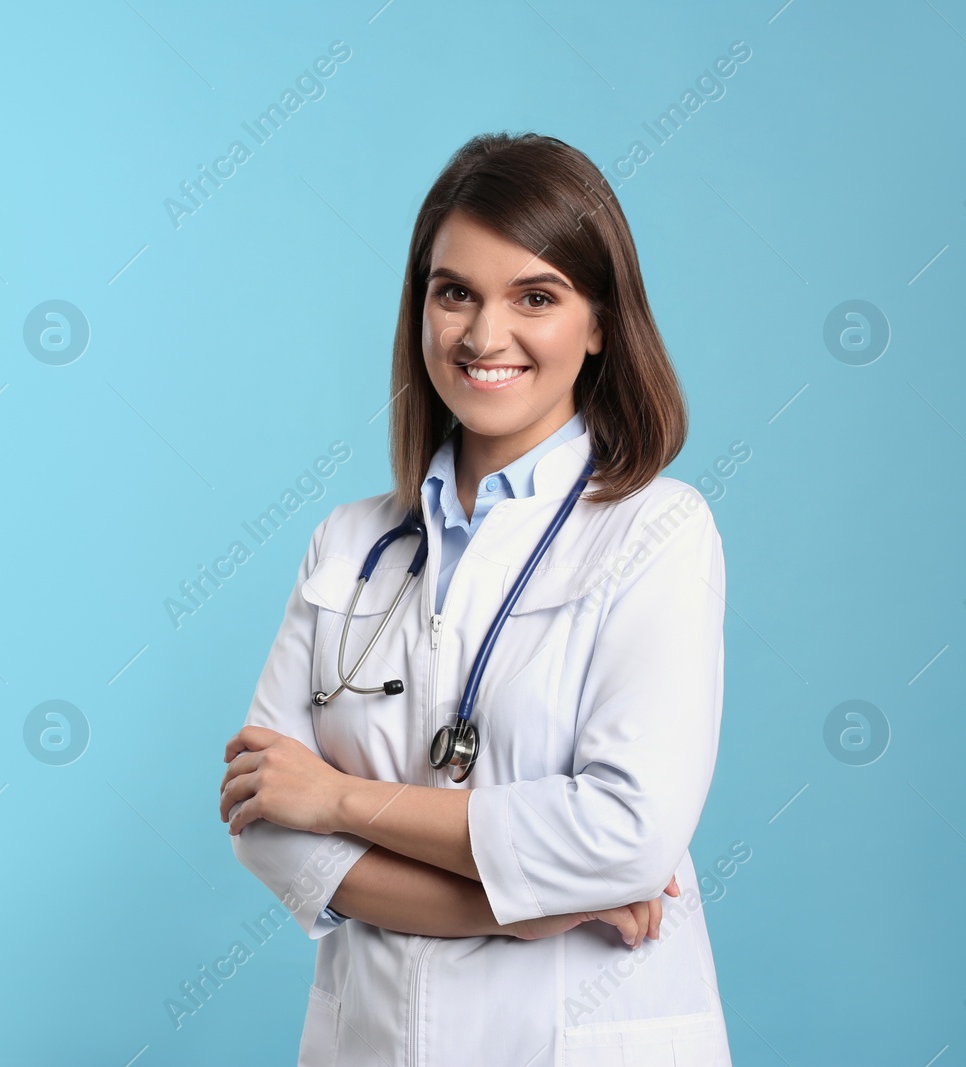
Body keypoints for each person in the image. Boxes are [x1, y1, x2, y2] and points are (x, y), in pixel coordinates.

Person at [217, 131, 731, 1066]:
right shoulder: (350, 542)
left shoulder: (658, 529)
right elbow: (266, 827)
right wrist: (523, 910)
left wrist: (338, 799)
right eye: (455, 292)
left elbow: (626, 832)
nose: (484, 337)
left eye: (535, 297)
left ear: (602, 322)